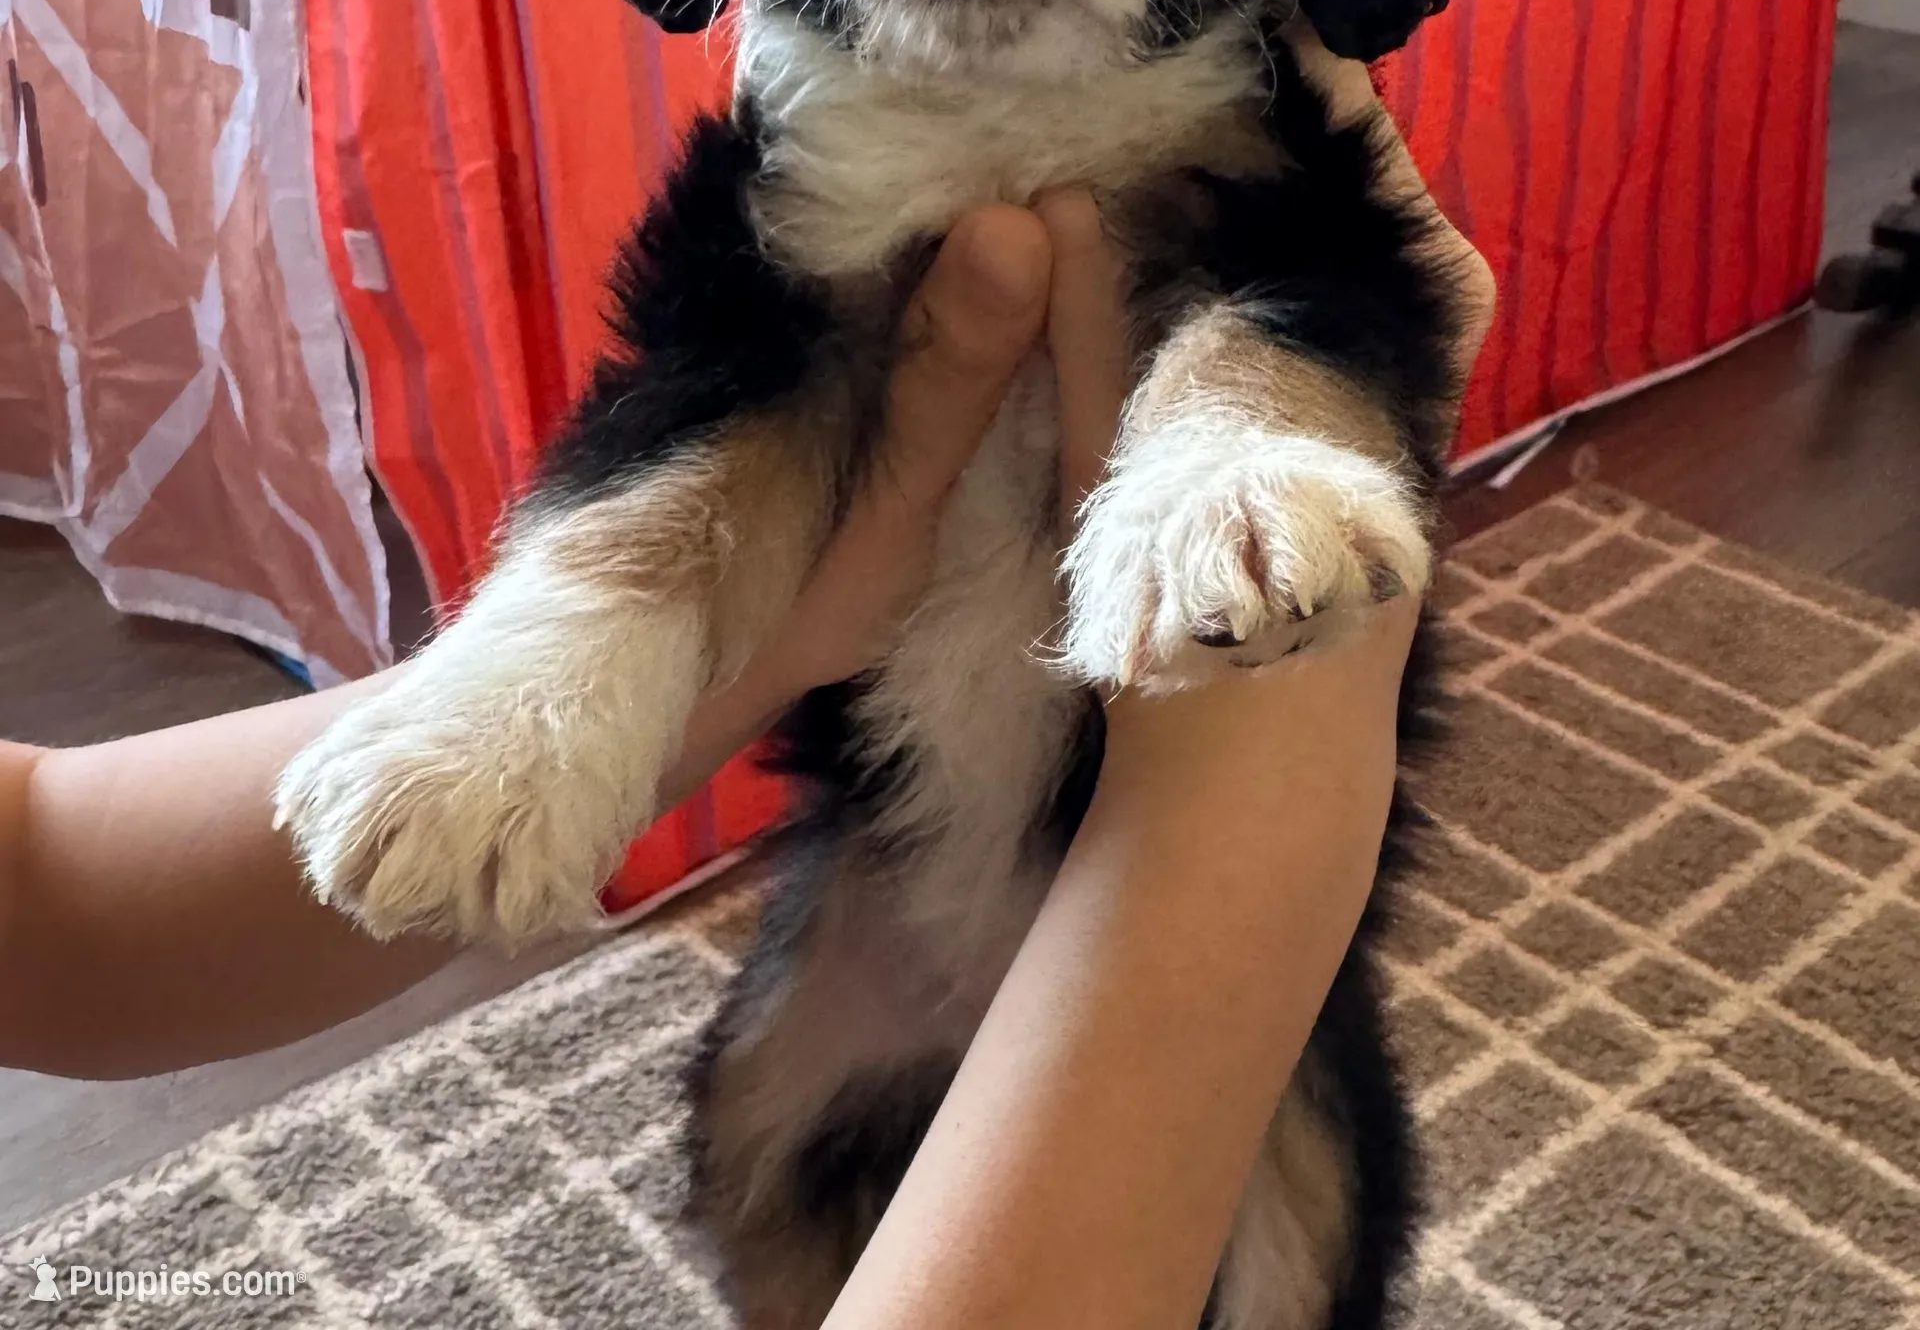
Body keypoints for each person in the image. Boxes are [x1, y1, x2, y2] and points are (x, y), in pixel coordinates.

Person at [0, 186, 1469, 1330]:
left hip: (971, 798)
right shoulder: (814, 138)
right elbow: (727, 363)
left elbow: (45, 888)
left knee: (1311, 1235)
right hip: (893, 867)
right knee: (762, 1172)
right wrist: (1227, 869)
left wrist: (737, 660)